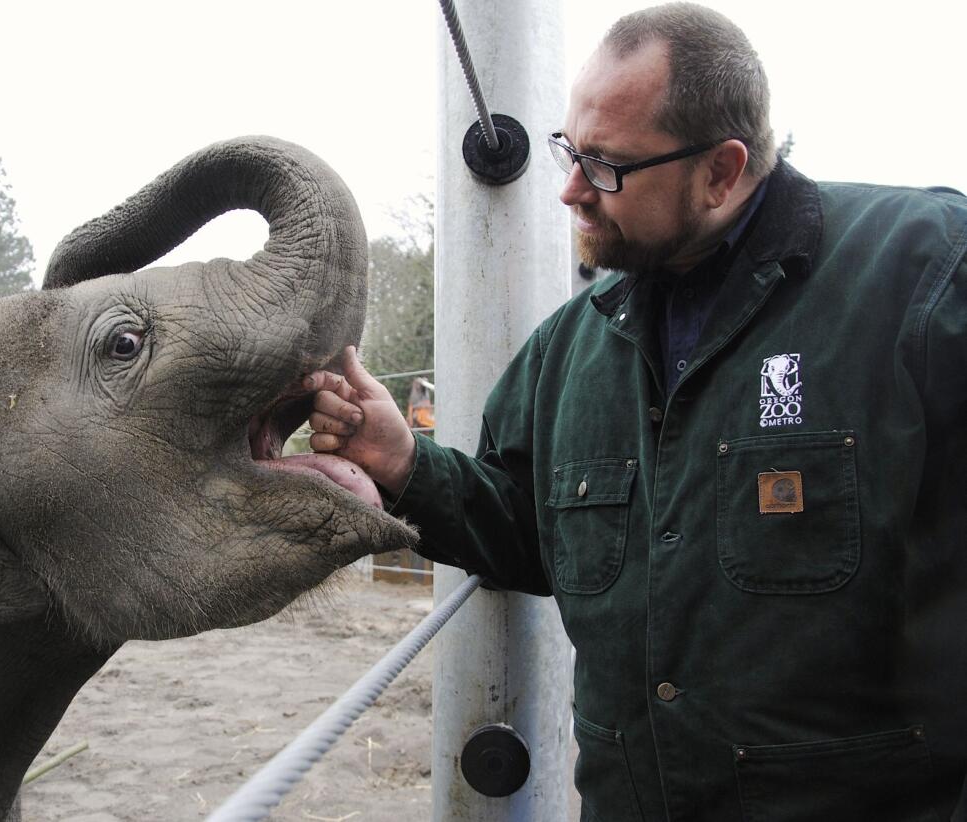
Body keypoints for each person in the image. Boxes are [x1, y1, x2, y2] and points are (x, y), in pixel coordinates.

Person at [303, 3, 967, 820]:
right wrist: (402, 458)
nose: (571, 189)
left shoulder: (926, 278)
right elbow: (524, 533)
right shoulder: (567, 352)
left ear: (722, 171)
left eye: (608, 166)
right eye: (570, 150)